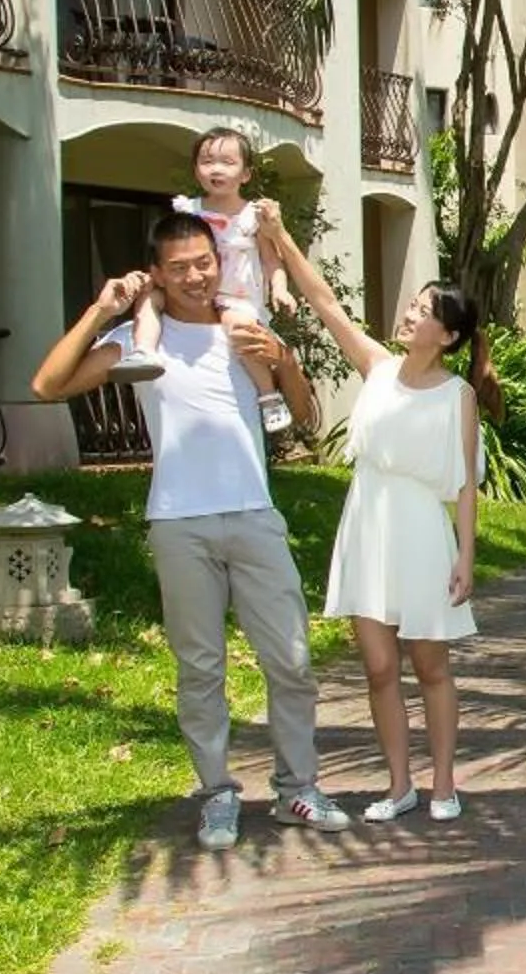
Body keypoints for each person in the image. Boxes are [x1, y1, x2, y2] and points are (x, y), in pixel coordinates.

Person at [30, 210, 352, 847]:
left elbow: (305, 416)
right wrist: (100, 311)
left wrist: (283, 359)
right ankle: (217, 794)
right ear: (156, 273)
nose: (195, 276)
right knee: (200, 670)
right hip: (179, 522)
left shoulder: (245, 326)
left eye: (204, 262)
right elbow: (47, 385)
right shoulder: (137, 339)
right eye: (178, 268)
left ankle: (298, 791)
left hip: (254, 515)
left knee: (291, 660)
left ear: (218, 260)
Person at [258, 203, 491, 824]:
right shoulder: (378, 369)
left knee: (430, 664)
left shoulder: (458, 396)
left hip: (422, 532)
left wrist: (466, 556)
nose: (410, 313)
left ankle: (444, 785)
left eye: (423, 310)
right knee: (380, 666)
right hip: (367, 525)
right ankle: (399, 786)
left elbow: (465, 486)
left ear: (447, 336)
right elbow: (326, 303)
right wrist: (281, 238)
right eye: (412, 304)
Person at [106, 129, 297, 435]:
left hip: (235, 297)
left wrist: (280, 288)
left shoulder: (253, 217)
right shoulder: (188, 210)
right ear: (195, 170)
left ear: (246, 174)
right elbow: (169, 250)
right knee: (149, 298)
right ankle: (144, 351)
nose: (216, 169)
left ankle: (268, 395)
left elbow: (271, 260)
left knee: (240, 331)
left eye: (227, 162)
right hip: (188, 291)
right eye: (207, 162)